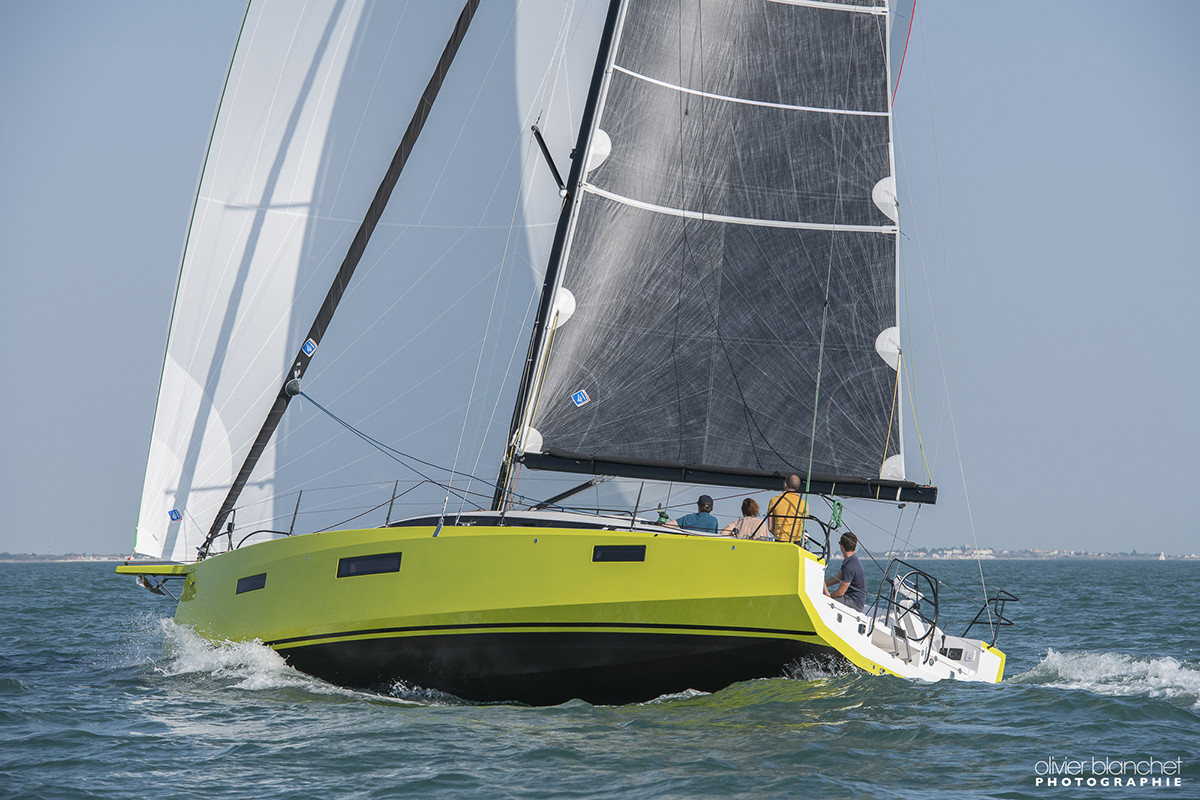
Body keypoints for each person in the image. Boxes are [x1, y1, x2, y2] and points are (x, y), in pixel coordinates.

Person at [823, 532, 867, 612]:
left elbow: (840, 592)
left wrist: (829, 596)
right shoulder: (849, 560)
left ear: (841, 546)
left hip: (854, 602)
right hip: (851, 598)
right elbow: (837, 578)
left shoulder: (850, 565)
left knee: (824, 601)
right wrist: (822, 583)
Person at [766, 474, 807, 543]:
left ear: (785, 484)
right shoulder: (804, 504)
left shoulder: (774, 501)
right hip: (797, 541)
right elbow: (803, 525)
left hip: (780, 539)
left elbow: (770, 527)